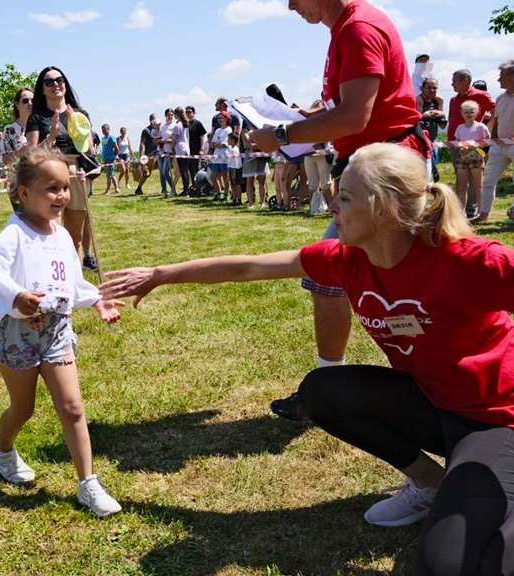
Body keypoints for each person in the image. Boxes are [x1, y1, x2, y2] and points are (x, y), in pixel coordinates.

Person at [101, 143, 514, 573]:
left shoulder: (468, 262)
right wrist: (160, 275)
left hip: (495, 420)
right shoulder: (348, 260)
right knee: (322, 391)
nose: (332, 202)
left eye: (347, 197)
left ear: (384, 209)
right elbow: (248, 268)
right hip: (431, 403)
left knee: (445, 566)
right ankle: (431, 484)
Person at [250, 0, 429, 419]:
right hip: (377, 166)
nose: (290, 5)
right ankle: (414, 380)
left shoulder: (357, 28)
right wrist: (309, 117)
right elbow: (350, 108)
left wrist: (281, 133)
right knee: (402, 283)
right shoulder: (346, 28)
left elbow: (354, 117)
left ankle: (332, 393)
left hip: (384, 169)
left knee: (334, 277)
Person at [0, 146, 124, 517]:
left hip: (57, 330)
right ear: (25, 193)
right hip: (18, 334)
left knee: (73, 407)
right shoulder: (14, 233)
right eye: (52, 188)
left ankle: (88, 484)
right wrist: (17, 295)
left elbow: (71, 281)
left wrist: (96, 300)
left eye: (65, 187)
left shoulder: (62, 236)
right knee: (23, 408)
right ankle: (1, 451)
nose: (61, 195)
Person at [25, 66, 98, 271]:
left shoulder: (81, 113)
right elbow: (32, 153)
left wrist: (79, 130)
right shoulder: (37, 116)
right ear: (42, 89)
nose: (55, 84)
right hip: (48, 172)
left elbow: (90, 149)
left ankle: (74, 282)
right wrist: (52, 135)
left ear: (65, 84)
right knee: (52, 233)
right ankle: (53, 281)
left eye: (59, 80)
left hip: (75, 173)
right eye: (49, 82)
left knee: (74, 237)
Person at [448, 69, 495, 218]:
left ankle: (472, 209)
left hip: (475, 148)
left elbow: (495, 110)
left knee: (476, 180)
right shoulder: (454, 99)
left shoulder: (480, 95)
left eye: (454, 81)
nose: (451, 84)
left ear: (465, 81)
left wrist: (486, 128)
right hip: (455, 144)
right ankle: (461, 210)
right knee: (460, 178)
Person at [482, 60, 514, 223]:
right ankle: (483, 215)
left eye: (501, 76)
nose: (498, 80)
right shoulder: (500, 98)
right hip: (499, 146)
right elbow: (497, 121)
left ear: (512, 77)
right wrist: (493, 142)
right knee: (487, 181)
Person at [0, 86, 34, 213]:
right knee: (21, 220)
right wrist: (21, 151)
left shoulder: (41, 126)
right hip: (18, 183)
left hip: (39, 182)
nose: (29, 103)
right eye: (25, 100)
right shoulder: (9, 129)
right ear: (17, 104)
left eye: (32, 100)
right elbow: (6, 159)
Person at [453, 101, 491, 213]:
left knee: (479, 187)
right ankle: (461, 213)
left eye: (471, 112)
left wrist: (477, 145)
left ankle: (481, 211)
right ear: (462, 113)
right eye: (466, 112)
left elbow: (488, 140)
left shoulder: (481, 126)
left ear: (476, 113)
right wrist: (461, 147)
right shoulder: (459, 128)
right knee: (462, 187)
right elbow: (457, 143)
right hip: (462, 159)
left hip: (476, 159)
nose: (469, 114)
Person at [416, 77, 447, 182]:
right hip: (421, 137)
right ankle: (431, 177)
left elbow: (443, 122)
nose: (432, 90)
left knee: (433, 158)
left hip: (433, 136)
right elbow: (417, 117)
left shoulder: (438, 101)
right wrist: (425, 114)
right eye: (429, 88)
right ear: (423, 88)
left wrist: (438, 113)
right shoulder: (419, 100)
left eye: (435, 88)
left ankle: (433, 178)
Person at [209, 112, 232, 201]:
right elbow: (213, 143)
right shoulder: (218, 130)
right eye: (219, 118)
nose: (220, 120)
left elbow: (224, 144)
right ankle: (218, 193)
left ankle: (226, 194)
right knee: (213, 176)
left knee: (225, 176)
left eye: (222, 118)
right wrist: (216, 145)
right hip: (216, 156)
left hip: (224, 156)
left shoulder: (228, 129)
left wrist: (218, 145)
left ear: (226, 119)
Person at [135, 114, 160, 195]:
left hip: (160, 154)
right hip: (150, 155)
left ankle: (164, 189)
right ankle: (139, 188)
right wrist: (141, 156)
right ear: (150, 120)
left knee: (164, 172)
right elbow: (142, 143)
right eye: (154, 119)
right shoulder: (146, 130)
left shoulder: (160, 129)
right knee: (146, 174)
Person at [156, 108, 178, 198]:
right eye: (168, 115)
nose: (170, 116)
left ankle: (173, 189)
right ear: (165, 116)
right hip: (161, 151)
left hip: (170, 151)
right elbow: (159, 137)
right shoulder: (163, 126)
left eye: (171, 115)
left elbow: (173, 140)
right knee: (161, 172)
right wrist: (158, 139)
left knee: (165, 172)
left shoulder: (175, 126)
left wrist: (162, 140)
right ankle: (164, 191)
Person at [173, 108, 192, 196]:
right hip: (186, 148)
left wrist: (172, 147)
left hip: (180, 148)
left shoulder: (177, 126)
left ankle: (185, 190)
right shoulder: (185, 125)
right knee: (185, 170)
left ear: (176, 115)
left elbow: (174, 139)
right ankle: (186, 188)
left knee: (183, 170)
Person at [100, 124, 119, 194]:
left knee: (109, 175)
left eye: (105, 130)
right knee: (112, 174)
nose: (103, 131)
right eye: (102, 130)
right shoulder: (103, 138)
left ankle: (107, 190)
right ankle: (117, 188)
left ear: (108, 129)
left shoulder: (111, 137)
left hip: (111, 159)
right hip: (105, 158)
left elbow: (116, 148)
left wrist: (115, 155)